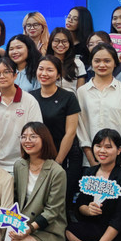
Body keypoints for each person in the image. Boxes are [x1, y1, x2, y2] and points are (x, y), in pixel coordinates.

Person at [0, 122, 67, 241]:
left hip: (47, 229)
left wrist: (29, 229)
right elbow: (15, 198)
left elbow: (53, 211)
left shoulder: (57, 171)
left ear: (44, 139)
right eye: (24, 137)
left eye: (33, 137)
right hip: (23, 224)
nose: (27, 140)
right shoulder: (19, 165)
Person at [77, 43, 121, 172]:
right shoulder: (82, 92)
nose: (102, 65)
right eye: (97, 61)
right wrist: (92, 161)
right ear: (91, 63)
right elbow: (81, 129)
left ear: (115, 63)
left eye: (107, 61)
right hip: (91, 163)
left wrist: (117, 160)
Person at [31, 55, 81, 207]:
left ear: (58, 74)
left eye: (50, 70)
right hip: (39, 156)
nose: (44, 73)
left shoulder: (68, 97)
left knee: (61, 202)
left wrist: (58, 161)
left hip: (65, 156)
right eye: (41, 69)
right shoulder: (31, 97)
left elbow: (70, 132)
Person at [0, 57, 42, 172]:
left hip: (24, 163)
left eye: (6, 72)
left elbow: (37, 133)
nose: (2, 76)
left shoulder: (29, 100)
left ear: (15, 75)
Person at [46, 27, 86, 93]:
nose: (60, 45)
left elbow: (80, 91)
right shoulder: (45, 63)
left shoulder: (78, 63)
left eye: (64, 41)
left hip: (72, 98)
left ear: (70, 43)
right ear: (51, 42)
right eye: (56, 41)